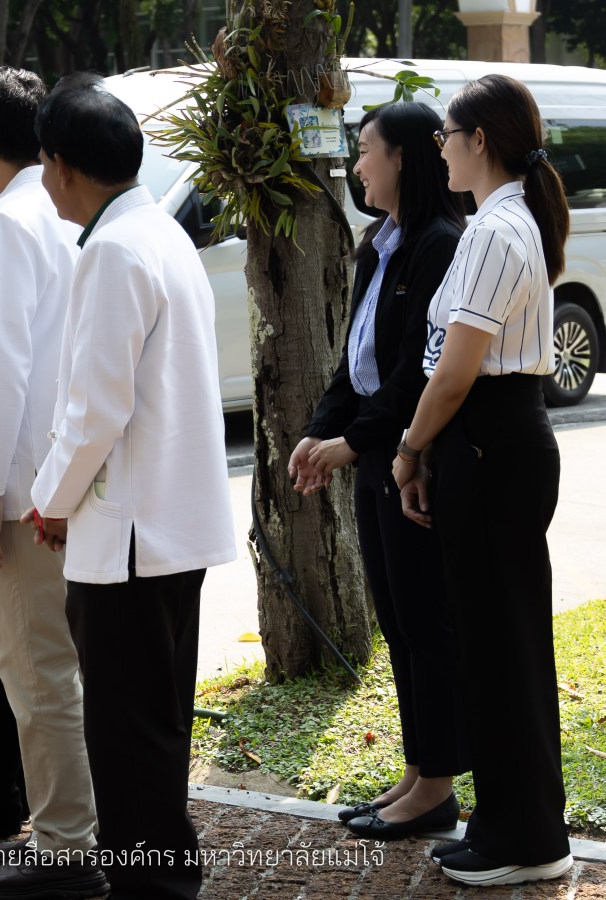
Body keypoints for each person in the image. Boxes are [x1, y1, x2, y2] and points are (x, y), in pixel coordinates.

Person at [27, 74, 237, 900]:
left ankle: (151, 885)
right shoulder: (159, 234)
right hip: (166, 523)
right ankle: (164, 874)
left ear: (63, 165)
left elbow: (94, 411)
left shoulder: (114, 249)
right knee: (155, 721)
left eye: (44, 165)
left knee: (127, 730)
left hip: (131, 534)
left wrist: (50, 499)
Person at [392, 74, 575, 888]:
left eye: (446, 134)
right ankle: (511, 827)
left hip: (492, 444)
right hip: (487, 444)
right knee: (494, 643)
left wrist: (410, 448)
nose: (440, 148)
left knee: (503, 647)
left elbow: (456, 370)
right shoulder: (500, 223)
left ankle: (526, 839)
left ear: (480, 141)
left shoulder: (497, 230)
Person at [288, 102, 468, 840]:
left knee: (424, 620)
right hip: (375, 457)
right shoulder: (379, 243)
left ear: (404, 158)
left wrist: (355, 443)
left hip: (410, 459)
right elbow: (354, 358)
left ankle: (438, 785)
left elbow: (413, 372)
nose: (357, 164)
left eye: (366, 150)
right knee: (397, 620)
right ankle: (418, 772)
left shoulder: (439, 245)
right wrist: (318, 431)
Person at [0, 67, 100, 881]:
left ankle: (66, 845)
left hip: (24, 488)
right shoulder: (69, 211)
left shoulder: (5, 222)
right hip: (74, 476)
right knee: (70, 666)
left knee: (37, 670)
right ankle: (82, 827)